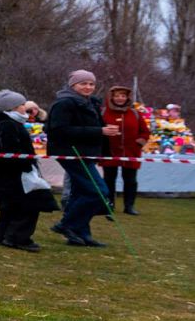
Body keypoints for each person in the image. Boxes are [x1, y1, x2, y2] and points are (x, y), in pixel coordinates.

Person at [46, 69, 118, 247]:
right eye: (83, 83)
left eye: (91, 84)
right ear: (73, 85)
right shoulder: (64, 103)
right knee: (98, 191)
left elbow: (94, 130)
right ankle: (66, 224)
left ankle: (81, 234)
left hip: (87, 154)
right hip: (71, 154)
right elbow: (58, 131)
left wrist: (105, 132)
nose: (88, 87)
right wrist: (99, 131)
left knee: (82, 192)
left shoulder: (90, 103)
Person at [0, 90, 55, 251]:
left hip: (13, 172)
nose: (25, 108)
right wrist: (25, 164)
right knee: (26, 206)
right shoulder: (7, 124)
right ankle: (17, 238)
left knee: (10, 207)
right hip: (14, 173)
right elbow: (9, 150)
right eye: (22, 105)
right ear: (13, 108)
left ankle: (2, 236)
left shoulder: (12, 123)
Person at [100, 84, 149, 216]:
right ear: (111, 97)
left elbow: (145, 132)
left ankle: (129, 206)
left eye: (123, 96)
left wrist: (139, 142)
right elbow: (97, 129)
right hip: (109, 151)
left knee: (130, 180)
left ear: (127, 98)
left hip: (131, 152)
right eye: (117, 96)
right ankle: (109, 205)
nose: (120, 98)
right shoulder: (103, 112)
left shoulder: (135, 113)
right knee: (109, 179)